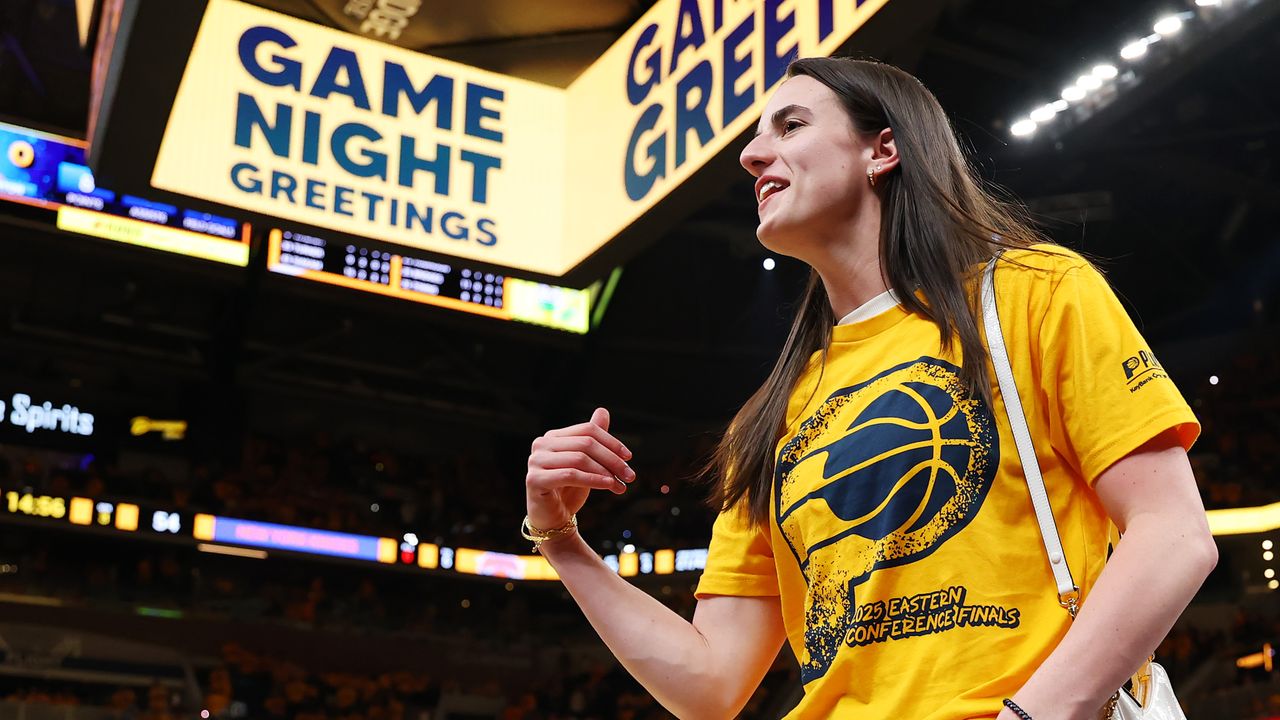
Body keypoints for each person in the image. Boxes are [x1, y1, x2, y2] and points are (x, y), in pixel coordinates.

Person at [523, 57, 1217, 720]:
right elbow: (711, 685)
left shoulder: (1034, 294)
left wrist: (1032, 715)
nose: (752, 156)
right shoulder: (766, 420)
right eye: (758, 136)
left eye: (790, 126)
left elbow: (1173, 533)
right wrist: (561, 540)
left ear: (881, 150)